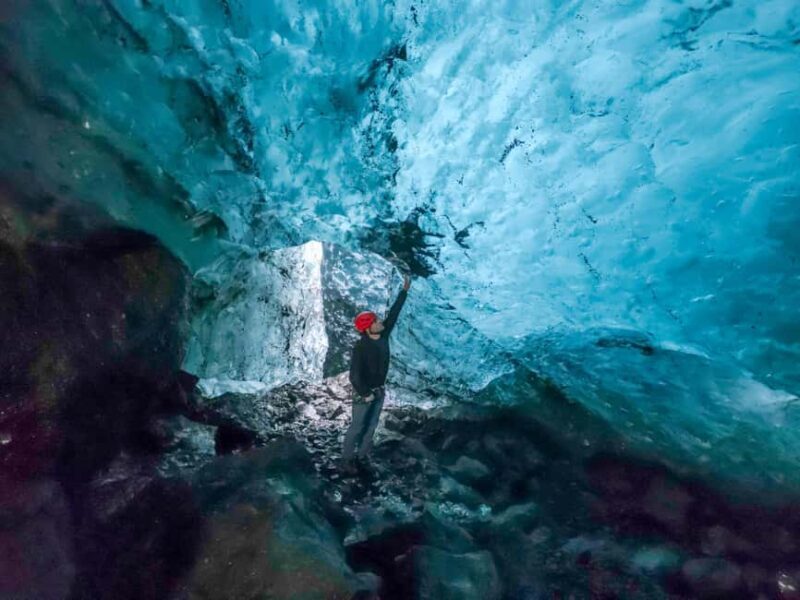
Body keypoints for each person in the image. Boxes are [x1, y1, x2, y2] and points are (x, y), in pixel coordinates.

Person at [340, 274, 411, 475]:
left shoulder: (383, 335)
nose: (380, 321)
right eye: (376, 320)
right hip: (364, 393)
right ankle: (346, 460)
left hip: (379, 390)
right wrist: (365, 394)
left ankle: (362, 456)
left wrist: (404, 291)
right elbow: (354, 376)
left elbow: (394, 314)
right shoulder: (361, 347)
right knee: (357, 426)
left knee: (371, 425)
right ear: (368, 327)